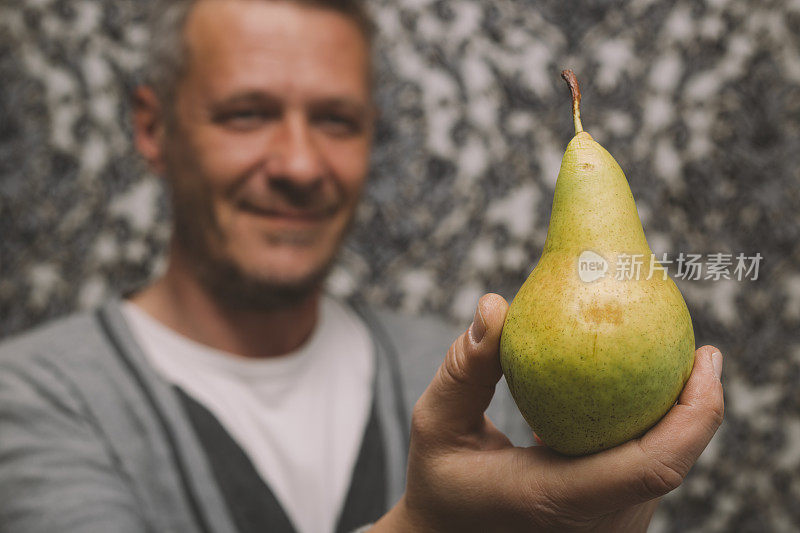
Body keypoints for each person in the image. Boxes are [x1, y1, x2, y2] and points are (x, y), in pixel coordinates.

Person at [0, 0, 725, 532]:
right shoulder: (32, 395)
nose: (299, 164)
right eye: (247, 113)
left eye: (336, 120)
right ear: (153, 129)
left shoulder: (489, 382)